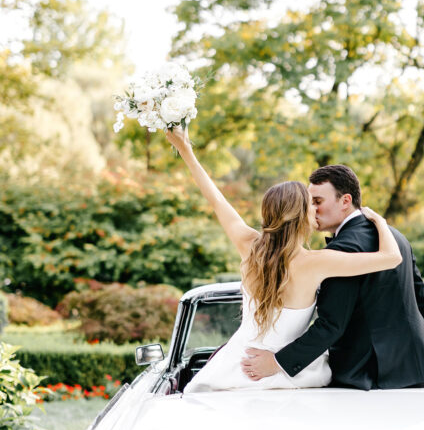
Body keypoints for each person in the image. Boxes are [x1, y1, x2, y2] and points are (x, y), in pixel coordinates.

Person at [164, 128, 402, 391]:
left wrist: (186, 150)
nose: (316, 208)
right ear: (301, 215)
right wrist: (380, 222)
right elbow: (391, 258)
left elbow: (215, 199)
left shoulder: (249, 245)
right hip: (292, 374)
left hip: (238, 366)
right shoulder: (318, 263)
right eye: (311, 203)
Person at [242, 164, 424, 390]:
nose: (312, 209)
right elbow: (419, 297)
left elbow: (331, 325)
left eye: (317, 202)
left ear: (345, 201)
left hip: (366, 376)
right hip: (416, 366)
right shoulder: (393, 235)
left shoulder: (342, 248)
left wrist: (278, 362)